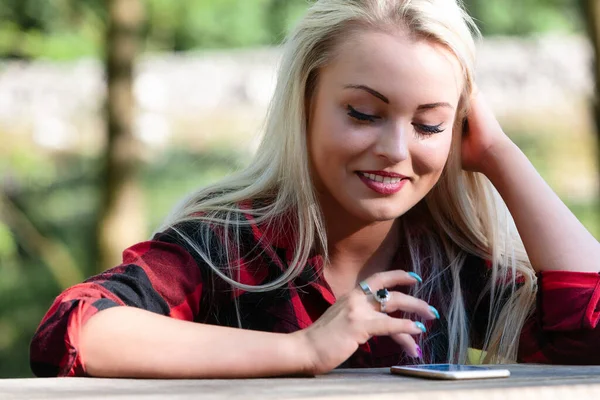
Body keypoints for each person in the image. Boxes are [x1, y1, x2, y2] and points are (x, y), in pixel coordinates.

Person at [30, 0, 600, 378]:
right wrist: (304, 349)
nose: (397, 150)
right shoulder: (230, 247)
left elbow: (588, 337)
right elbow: (74, 331)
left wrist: (501, 155)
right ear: (305, 106)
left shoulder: (448, 263)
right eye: (363, 112)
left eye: (429, 124)